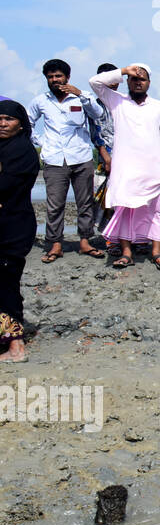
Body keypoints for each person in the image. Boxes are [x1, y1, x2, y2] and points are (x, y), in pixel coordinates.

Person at [89, 65, 160, 270]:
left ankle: (156, 252)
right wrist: (124, 70)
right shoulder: (116, 101)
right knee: (125, 211)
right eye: (134, 78)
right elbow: (94, 82)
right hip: (125, 169)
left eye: (143, 79)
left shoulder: (159, 106)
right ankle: (126, 253)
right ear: (128, 81)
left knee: (157, 211)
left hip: (153, 169)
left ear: (149, 83)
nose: (138, 82)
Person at [29, 59, 107, 263]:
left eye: (58, 76)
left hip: (81, 157)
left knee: (85, 203)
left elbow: (98, 114)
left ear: (67, 77)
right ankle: (55, 244)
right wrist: (41, 142)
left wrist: (79, 93)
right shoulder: (41, 101)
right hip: (54, 159)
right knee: (54, 204)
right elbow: (27, 122)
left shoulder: (81, 98)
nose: (55, 80)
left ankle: (85, 241)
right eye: (51, 77)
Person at [0, 102, 40, 362]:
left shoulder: (22, 151)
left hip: (13, 226)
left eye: (8, 119)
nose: (2, 123)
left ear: (21, 123)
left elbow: (5, 186)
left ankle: (16, 346)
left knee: (5, 283)